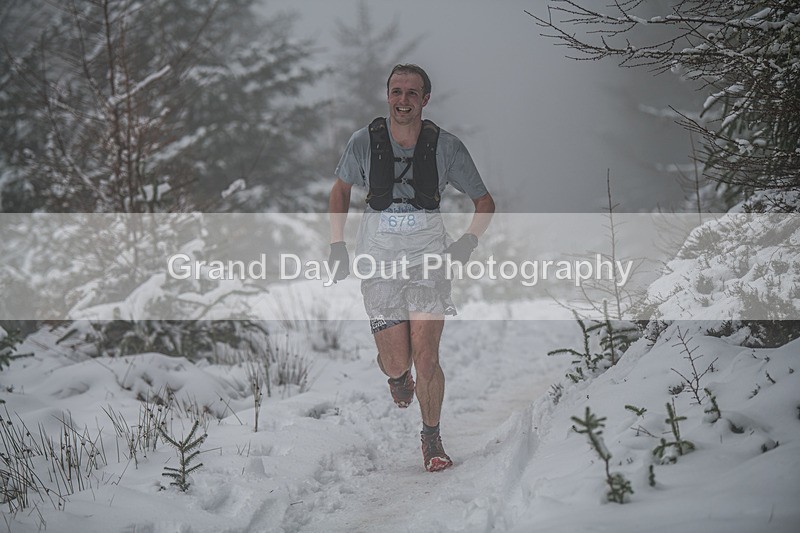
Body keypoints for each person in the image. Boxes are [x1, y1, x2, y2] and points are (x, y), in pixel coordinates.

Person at [328, 64, 495, 472]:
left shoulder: (446, 147)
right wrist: (337, 244)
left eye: (412, 93)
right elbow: (340, 189)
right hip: (379, 261)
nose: (403, 100)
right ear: (388, 96)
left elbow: (485, 202)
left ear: (425, 99)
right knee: (398, 361)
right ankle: (396, 376)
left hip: (429, 262)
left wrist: (467, 243)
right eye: (396, 91)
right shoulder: (363, 142)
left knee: (427, 356)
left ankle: (432, 438)